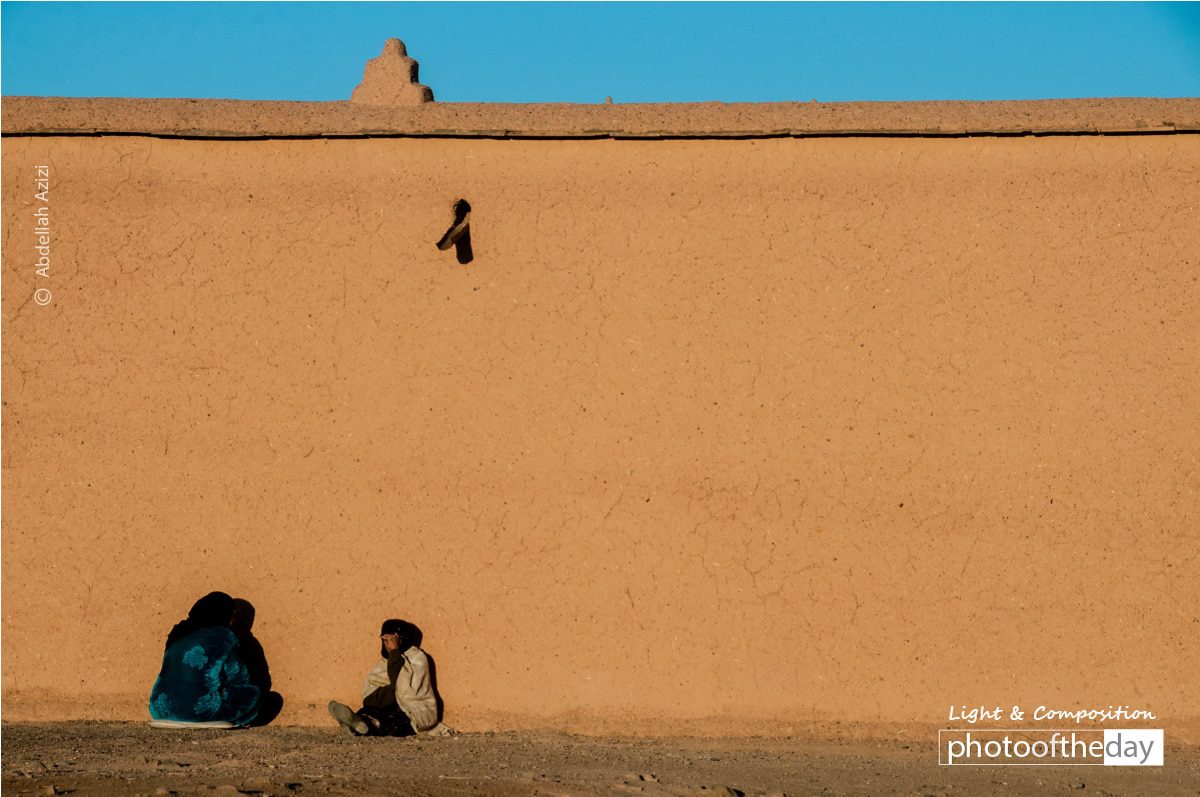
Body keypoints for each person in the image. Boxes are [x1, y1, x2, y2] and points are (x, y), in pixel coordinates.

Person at [148, 591, 263, 728]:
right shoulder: (225, 636)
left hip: (159, 710)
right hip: (198, 711)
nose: (233, 621)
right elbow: (239, 676)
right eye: (233, 616)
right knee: (255, 694)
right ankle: (234, 722)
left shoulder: (178, 632)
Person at [327, 618, 449, 736]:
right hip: (387, 704)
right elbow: (375, 685)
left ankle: (363, 726)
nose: (387, 644)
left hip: (411, 709)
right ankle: (355, 723)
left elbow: (402, 686)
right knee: (367, 711)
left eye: (392, 640)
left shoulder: (417, 658)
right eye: (385, 640)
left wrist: (395, 653)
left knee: (393, 720)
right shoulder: (383, 662)